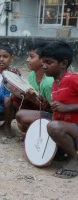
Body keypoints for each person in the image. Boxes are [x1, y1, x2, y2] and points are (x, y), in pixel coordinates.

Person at [40, 41, 78, 179]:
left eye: (48, 62)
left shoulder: (73, 79)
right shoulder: (55, 84)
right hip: (69, 129)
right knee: (37, 122)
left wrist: (68, 108)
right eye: (43, 62)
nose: (43, 66)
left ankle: (75, 159)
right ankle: (62, 151)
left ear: (63, 64)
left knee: (53, 126)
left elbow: (67, 107)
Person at [15, 42, 54, 137]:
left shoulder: (48, 82)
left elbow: (53, 109)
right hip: (40, 108)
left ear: (42, 60)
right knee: (14, 100)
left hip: (53, 115)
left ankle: (45, 135)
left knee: (21, 116)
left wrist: (33, 99)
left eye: (31, 57)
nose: (28, 60)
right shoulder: (32, 75)